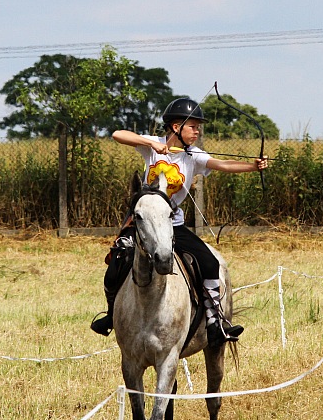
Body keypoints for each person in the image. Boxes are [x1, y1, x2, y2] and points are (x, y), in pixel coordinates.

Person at [89, 97, 269, 346]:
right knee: (117, 262)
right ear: (176, 127)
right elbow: (118, 134)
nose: (197, 132)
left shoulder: (193, 156)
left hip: (173, 224)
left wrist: (252, 167)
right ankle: (111, 315)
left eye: (198, 127)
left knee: (209, 263)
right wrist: (152, 143)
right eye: (193, 126)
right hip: (143, 223)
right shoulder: (153, 146)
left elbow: (221, 164)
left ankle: (214, 321)